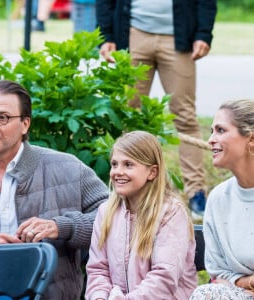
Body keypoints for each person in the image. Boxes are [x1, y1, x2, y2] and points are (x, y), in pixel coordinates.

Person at [0, 79, 108, 300]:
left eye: (2, 118)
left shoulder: (69, 169)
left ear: (25, 124)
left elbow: (116, 219)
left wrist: (61, 226)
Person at [96, 0, 217, 220]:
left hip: (179, 38)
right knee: (127, 118)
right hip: (133, 34)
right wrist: (107, 35)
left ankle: (196, 192)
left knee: (185, 117)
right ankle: (125, 189)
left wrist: (203, 33)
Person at [85, 130, 197, 299]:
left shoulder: (171, 213)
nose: (118, 172)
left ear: (152, 172)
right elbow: (98, 270)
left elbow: (164, 277)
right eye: (115, 164)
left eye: (128, 165)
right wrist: (99, 297)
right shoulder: (106, 212)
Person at [190, 99, 254, 300]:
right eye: (211, 131)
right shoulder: (219, 198)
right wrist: (248, 282)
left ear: (250, 139)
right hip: (240, 294)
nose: (210, 139)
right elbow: (218, 272)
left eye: (220, 130)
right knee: (206, 294)